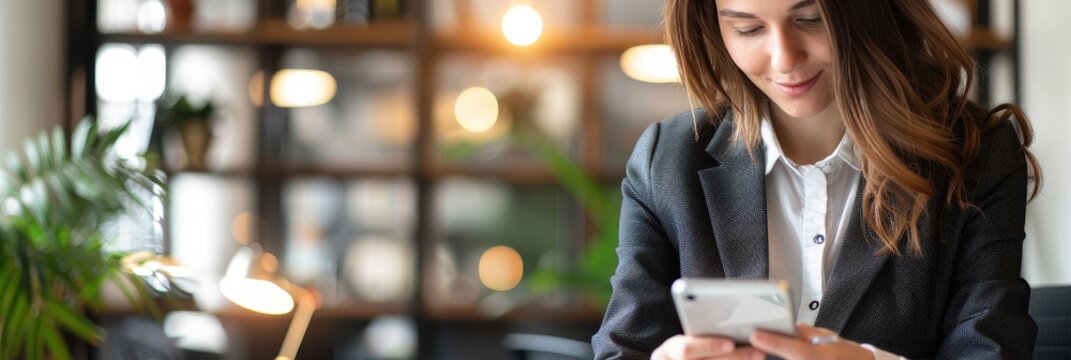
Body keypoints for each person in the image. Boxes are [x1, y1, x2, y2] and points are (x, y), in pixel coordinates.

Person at [592, 0, 1042, 359]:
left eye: (811, 19)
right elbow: (622, 348)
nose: (785, 58)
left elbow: (990, 347)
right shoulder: (667, 162)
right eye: (748, 28)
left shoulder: (976, 153)